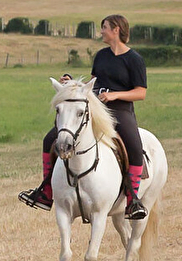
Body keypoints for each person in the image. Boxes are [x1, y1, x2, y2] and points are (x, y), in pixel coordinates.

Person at [18, 14, 149, 220]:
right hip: (96, 108)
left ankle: (132, 200)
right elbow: (93, 83)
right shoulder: (101, 56)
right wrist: (72, 83)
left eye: (104, 27)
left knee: (134, 146)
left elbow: (141, 92)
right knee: (50, 139)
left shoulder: (134, 59)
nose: (101, 31)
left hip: (120, 111)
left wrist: (115, 95)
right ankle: (46, 192)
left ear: (116, 30)